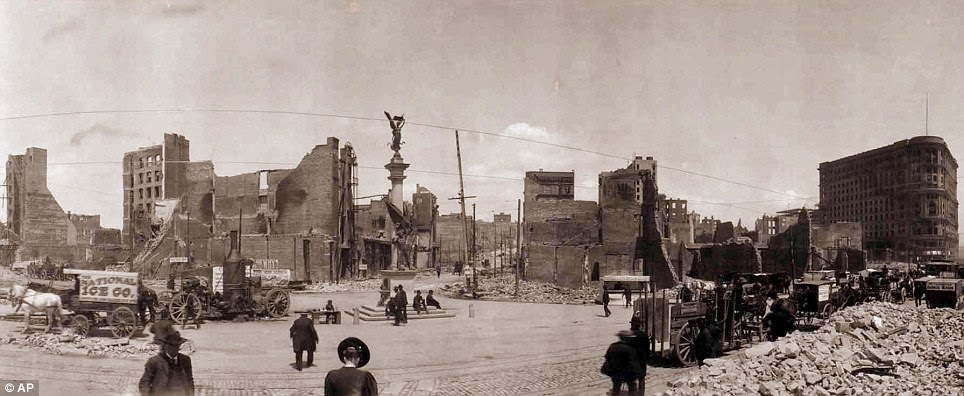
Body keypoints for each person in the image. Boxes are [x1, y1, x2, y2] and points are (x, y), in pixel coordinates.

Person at [138, 331, 194, 396]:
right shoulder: (154, 361)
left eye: (176, 345)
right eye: (171, 345)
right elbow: (144, 382)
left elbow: (190, 380)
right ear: (165, 346)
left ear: (179, 346)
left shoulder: (185, 360)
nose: (174, 348)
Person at [601, 330, 643, 396]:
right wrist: (639, 373)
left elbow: (607, 357)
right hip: (628, 374)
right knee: (633, 389)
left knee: (616, 389)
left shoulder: (613, 346)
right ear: (628, 339)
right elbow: (633, 363)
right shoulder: (630, 348)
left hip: (615, 373)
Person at [629, 316, 649, 394]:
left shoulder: (630, 336)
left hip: (633, 362)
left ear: (633, 325)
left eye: (631, 325)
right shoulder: (644, 335)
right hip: (642, 362)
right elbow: (647, 350)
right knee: (641, 380)